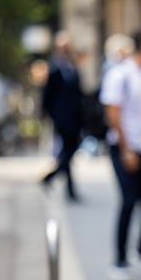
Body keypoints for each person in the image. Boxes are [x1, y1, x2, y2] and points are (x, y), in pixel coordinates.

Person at [100, 29, 141, 280]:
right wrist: (126, 148)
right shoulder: (120, 74)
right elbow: (113, 112)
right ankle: (119, 259)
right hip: (126, 148)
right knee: (129, 201)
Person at [40, 31, 84, 200]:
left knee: (69, 152)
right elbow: (47, 95)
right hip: (62, 118)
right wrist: (50, 115)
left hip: (75, 117)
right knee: (68, 151)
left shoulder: (72, 67)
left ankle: (58, 181)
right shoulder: (54, 68)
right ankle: (62, 184)